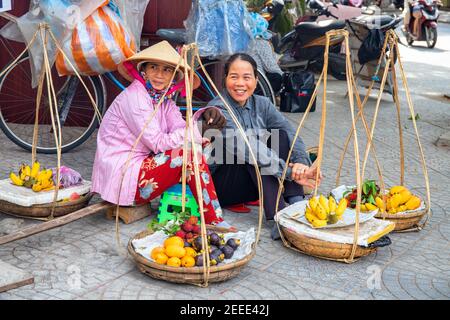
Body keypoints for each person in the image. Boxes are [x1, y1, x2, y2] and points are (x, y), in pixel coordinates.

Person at [91, 40, 232, 228]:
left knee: (194, 149)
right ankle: (214, 220)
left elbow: (180, 128)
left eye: (167, 70)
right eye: (153, 67)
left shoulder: (164, 102)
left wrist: (204, 117)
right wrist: (196, 131)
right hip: (124, 176)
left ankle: (212, 217)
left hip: (141, 168)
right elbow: (157, 143)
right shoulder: (135, 98)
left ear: (174, 77)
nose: (159, 75)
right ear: (144, 71)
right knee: (188, 156)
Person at [206, 53, 322, 239]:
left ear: (256, 79)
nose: (240, 83)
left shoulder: (263, 104)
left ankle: (296, 202)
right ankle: (278, 216)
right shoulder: (218, 108)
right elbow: (247, 148)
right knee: (254, 147)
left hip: (253, 185)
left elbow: (289, 131)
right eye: (234, 77)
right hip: (224, 186)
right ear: (225, 78)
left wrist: (301, 163)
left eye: (247, 77)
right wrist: (289, 172)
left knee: (280, 135)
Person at [247, 12, 283, 95]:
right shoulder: (261, 43)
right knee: (277, 77)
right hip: (257, 83)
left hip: (241, 78)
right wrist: (286, 77)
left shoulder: (240, 43)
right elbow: (271, 67)